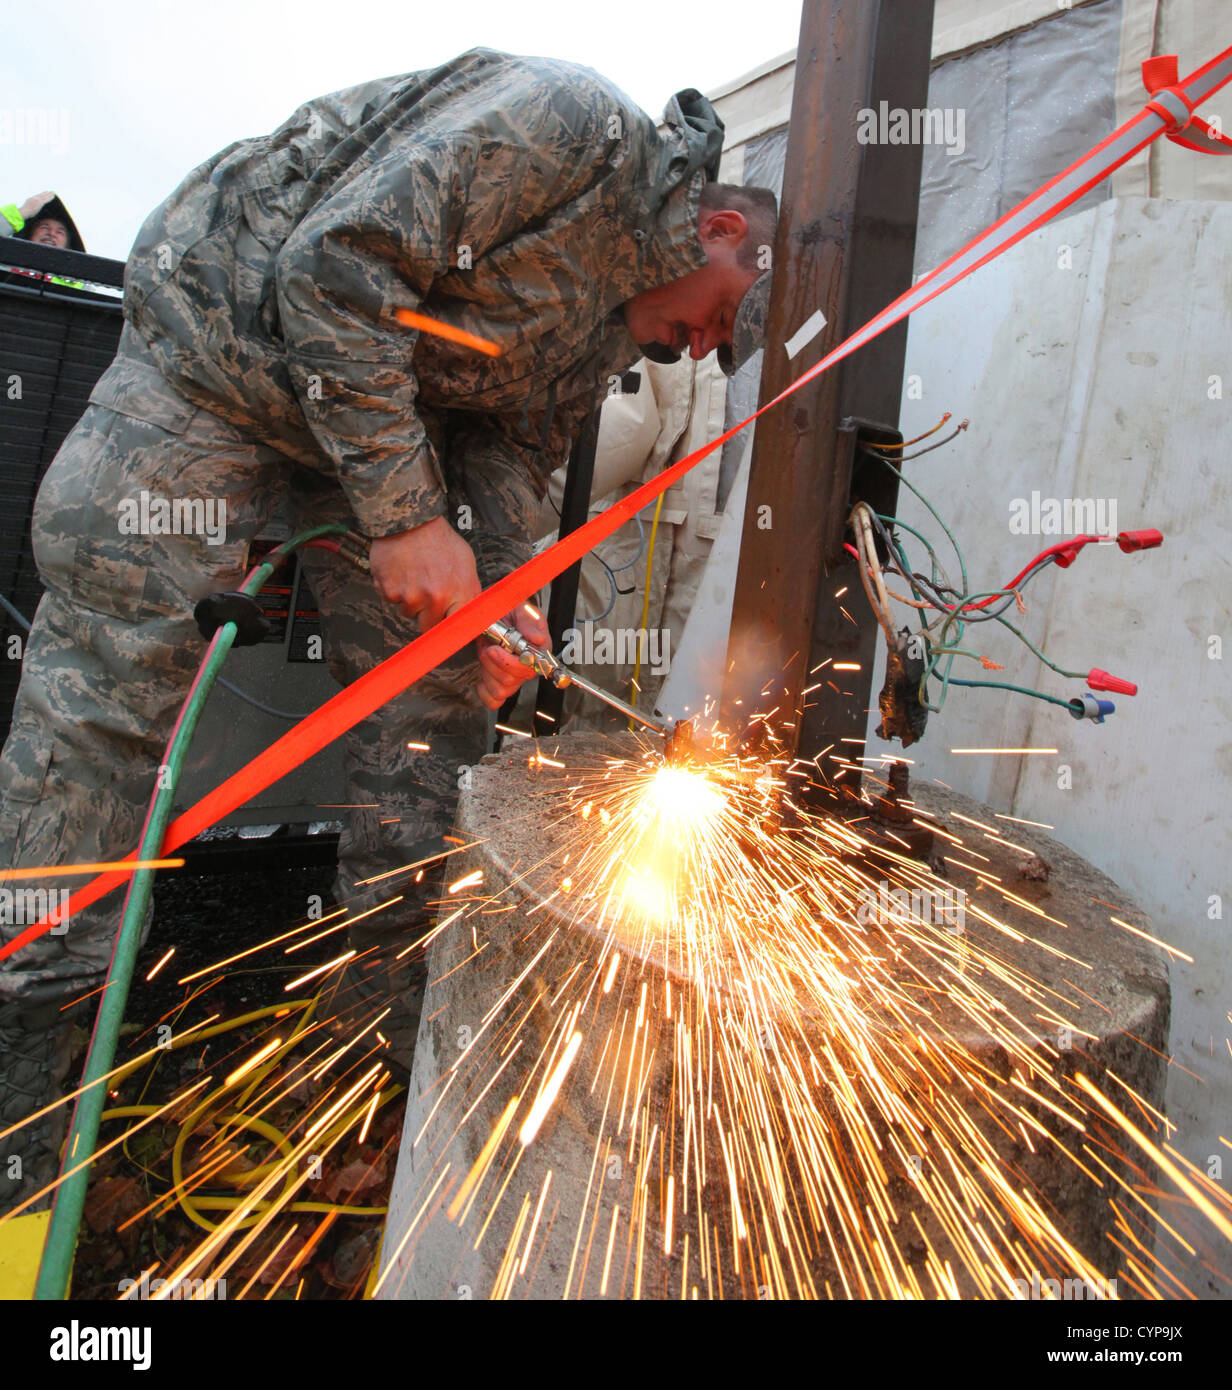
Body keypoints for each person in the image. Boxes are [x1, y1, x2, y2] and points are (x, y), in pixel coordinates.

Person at [0, 46, 775, 1216]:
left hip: (377, 431)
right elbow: (335, 266)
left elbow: (513, 448)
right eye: (718, 322)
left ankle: (359, 1073)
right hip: (222, 364)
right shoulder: (569, 132)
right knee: (112, 695)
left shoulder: (622, 322)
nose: (698, 350)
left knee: (435, 725)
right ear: (714, 228)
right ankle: (28, 1074)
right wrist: (407, 517)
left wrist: (501, 602)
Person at [0, 191, 87, 288]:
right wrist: (23, 212)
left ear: (67, 246)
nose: (51, 234)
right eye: (44, 227)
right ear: (29, 236)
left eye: (59, 232)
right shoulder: (5, 265)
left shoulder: (81, 285)